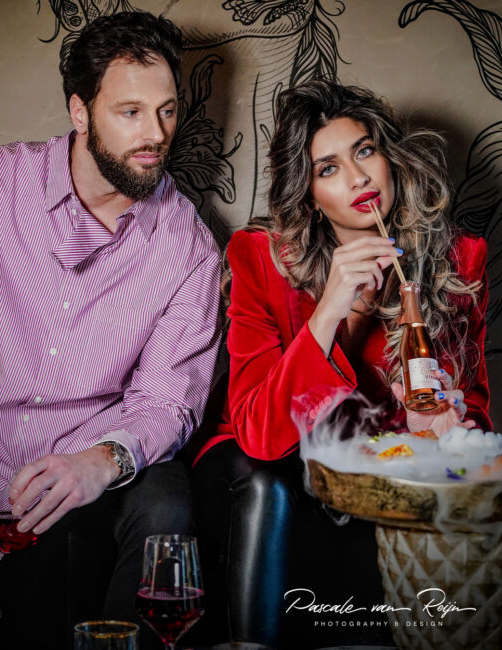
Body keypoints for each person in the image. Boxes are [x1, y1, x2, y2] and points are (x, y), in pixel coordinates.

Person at [191, 79, 490, 648]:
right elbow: (260, 434)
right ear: (309, 195)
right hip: (267, 463)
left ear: (389, 158)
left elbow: (472, 411)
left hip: (377, 468)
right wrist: (330, 309)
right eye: (327, 169)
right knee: (266, 482)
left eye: (364, 151)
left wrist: (445, 427)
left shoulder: (458, 261)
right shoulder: (259, 258)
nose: (357, 178)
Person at [0, 11, 221, 649]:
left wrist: (103, 460)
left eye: (166, 111)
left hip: (85, 474)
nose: (156, 135)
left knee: (165, 495)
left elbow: (167, 402)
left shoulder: (190, 248)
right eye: (131, 112)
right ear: (80, 111)